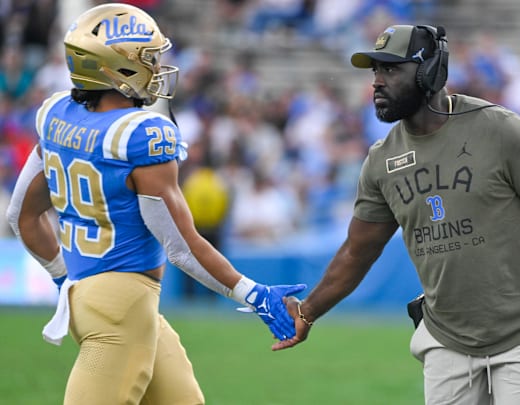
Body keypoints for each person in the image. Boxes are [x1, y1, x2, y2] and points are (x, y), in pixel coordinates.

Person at [272, 24, 520, 405]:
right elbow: (357, 252)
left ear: (430, 72)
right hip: (446, 338)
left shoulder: (498, 129)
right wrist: (308, 312)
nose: (377, 82)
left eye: (390, 69)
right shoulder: (381, 161)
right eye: (375, 71)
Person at [4, 4, 305, 404]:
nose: (158, 66)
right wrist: (254, 294)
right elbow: (181, 247)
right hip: (122, 310)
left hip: (97, 300)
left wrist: (64, 282)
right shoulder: (141, 134)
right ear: (116, 67)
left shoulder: (57, 113)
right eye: (148, 57)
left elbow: (21, 215)